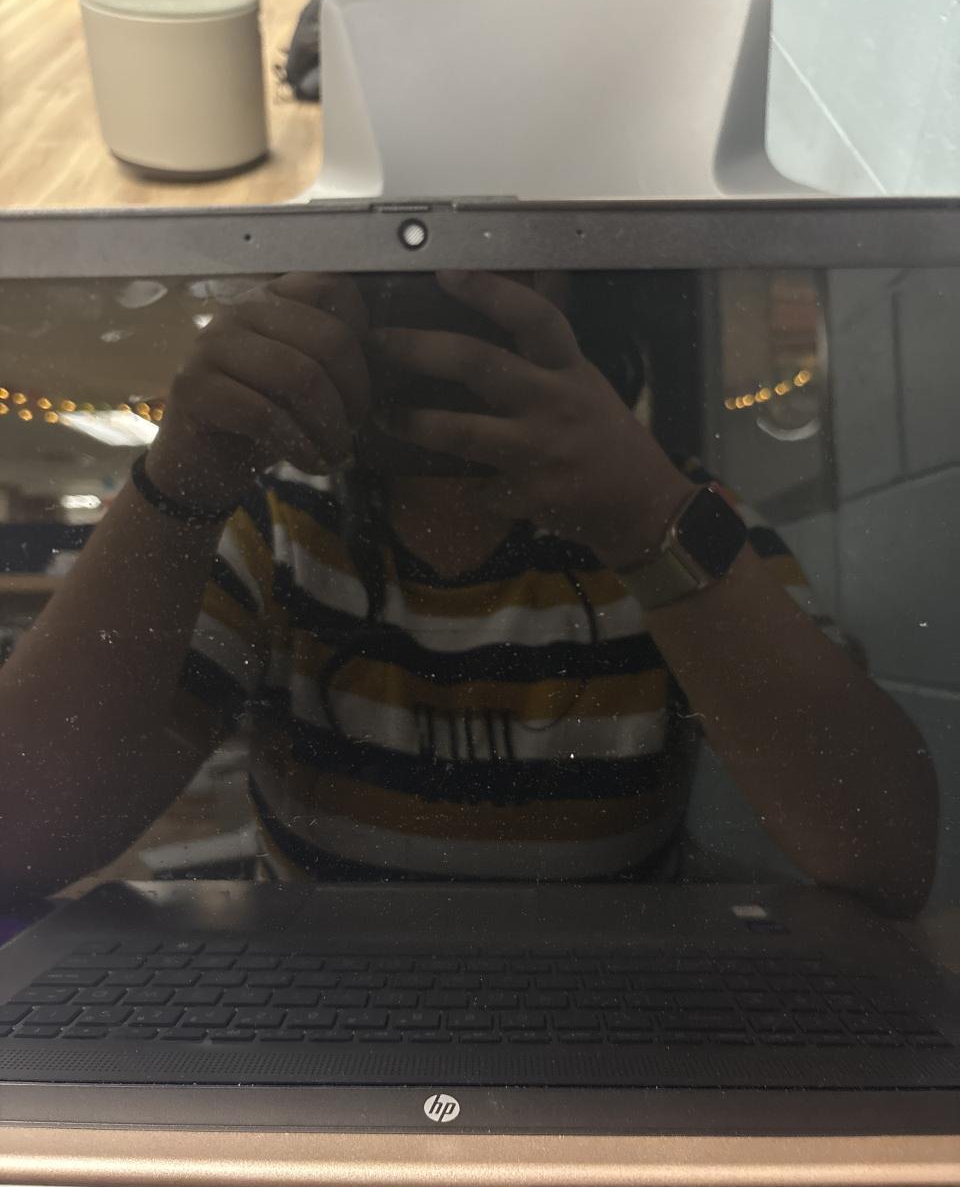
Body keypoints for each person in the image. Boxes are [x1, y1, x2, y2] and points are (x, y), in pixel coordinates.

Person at [0, 271, 938, 916]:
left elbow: (888, 854)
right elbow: (19, 837)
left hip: (419, 1028)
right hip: (558, 1023)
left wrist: (648, 518)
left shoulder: (666, 515)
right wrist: (183, 478)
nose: (440, 306)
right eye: (398, 270)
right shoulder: (273, 524)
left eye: (490, 271)